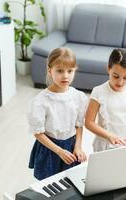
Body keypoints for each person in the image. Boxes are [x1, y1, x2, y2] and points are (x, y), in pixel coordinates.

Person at [27, 47, 87, 180]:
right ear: (50, 70)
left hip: (71, 147)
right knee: (49, 185)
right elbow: (38, 133)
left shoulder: (78, 96)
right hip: (50, 149)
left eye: (70, 71)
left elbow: (79, 125)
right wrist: (59, 151)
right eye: (60, 71)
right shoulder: (41, 101)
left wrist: (78, 147)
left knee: (70, 183)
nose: (65, 75)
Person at [85, 48, 126, 152]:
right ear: (108, 68)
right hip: (105, 146)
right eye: (116, 76)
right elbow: (89, 122)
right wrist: (109, 135)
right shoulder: (98, 92)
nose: (120, 82)